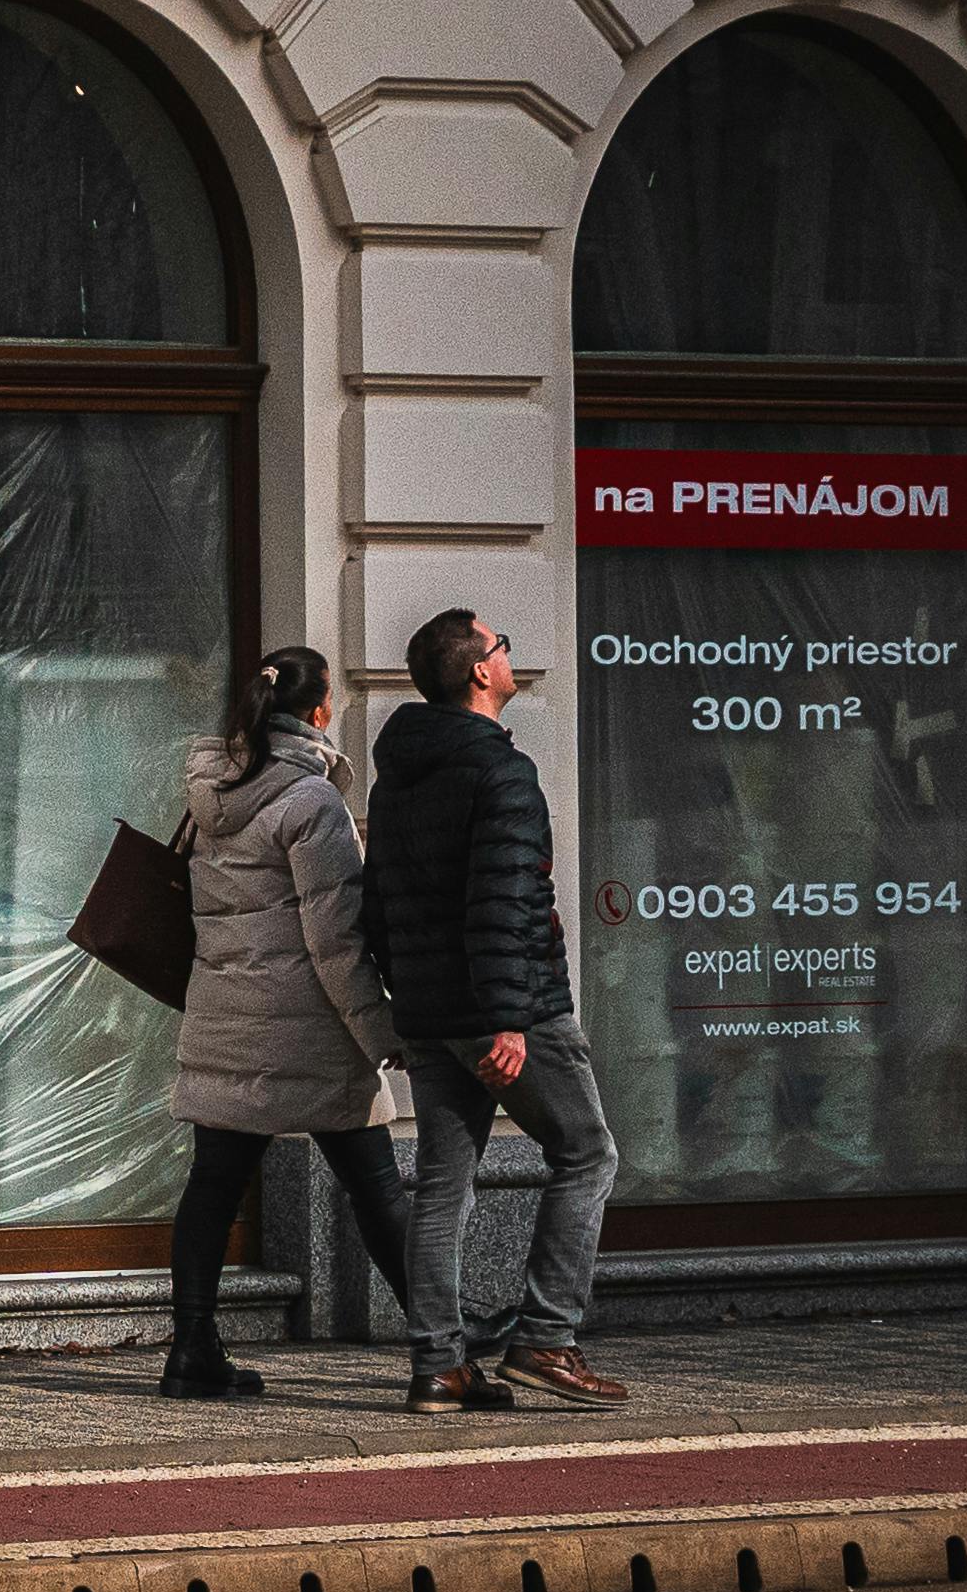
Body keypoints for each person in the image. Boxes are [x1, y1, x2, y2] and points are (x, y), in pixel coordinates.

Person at [362, 605, 625, 1413]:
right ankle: (547, 1337)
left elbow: (376, 902)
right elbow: (506, 899)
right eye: (503, 645)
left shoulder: (398, 775)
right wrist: (510, 1019)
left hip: (433, 1013)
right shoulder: (499, 773)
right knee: (587, 1154)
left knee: (443, 1184)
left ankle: (439, 1366)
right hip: (510, 1009)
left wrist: (407, 1008)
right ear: (480, 671)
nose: (511, 654)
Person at [155, 644, 411, 1399]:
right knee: (376, 1188)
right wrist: (382, 1038)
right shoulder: (314, 803)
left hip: (227, 1023)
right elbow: (337, 941)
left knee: (211, 1186)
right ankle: (443, 1336)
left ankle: (191, 1350)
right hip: (311, 1033)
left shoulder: (215, 789)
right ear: (322, 712)